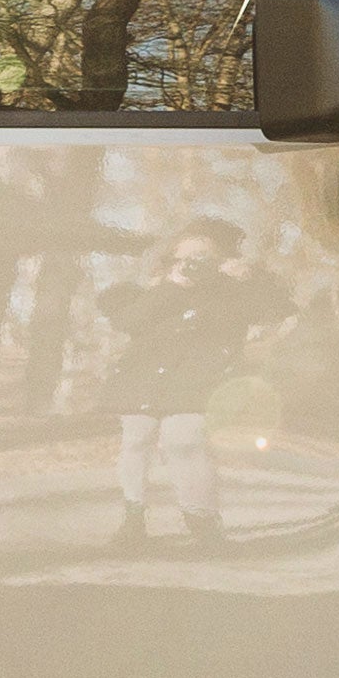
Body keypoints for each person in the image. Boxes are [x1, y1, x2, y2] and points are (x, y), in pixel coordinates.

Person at [105, 220, 249, 545]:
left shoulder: (227, 293)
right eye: (185, 258)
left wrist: (224, 282)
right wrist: (173, 284)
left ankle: (200, 517)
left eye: (203, 259)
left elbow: (234, 328)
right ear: (172, 260)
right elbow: (128, 322)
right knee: (136, 440)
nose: (193, 266)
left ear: (219, 261)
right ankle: (133, 517)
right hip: (144, 377)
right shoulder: (160, 290)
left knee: (185, 441)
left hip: (194, 379)